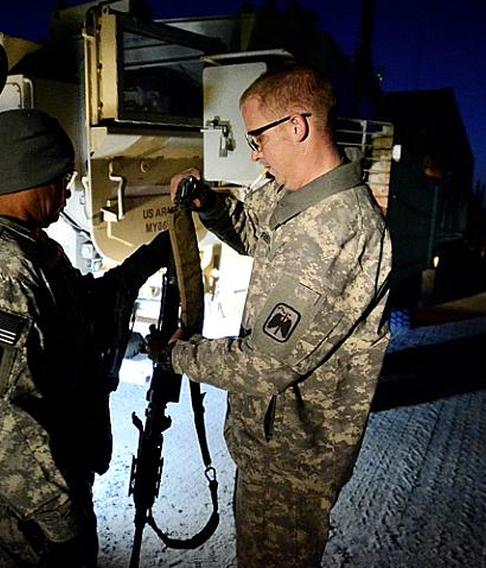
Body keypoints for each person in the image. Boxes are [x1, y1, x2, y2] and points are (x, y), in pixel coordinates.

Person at [160, 65, 393, 567]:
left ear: (298, 125)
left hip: (294, 461)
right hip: (268, 444)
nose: (254, 153)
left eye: (257, 139)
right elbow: (251, 229)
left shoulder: (339, 230)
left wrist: (178, 353)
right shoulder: (292, 192)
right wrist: (209, 205)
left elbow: (263, 367)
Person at [0, 108, 169, 567]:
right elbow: (1, 418)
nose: (67, 192)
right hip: (29, 504)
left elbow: (80, 308)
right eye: (62, 178)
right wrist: (60, 521)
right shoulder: (3, 274)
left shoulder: (31, 247)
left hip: (55, 471)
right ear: (33, 173)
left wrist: (142, 264)